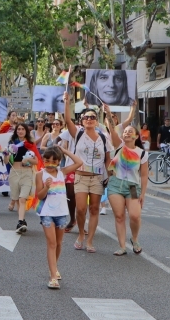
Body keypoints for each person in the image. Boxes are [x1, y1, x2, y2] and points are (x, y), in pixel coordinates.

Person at [63, 92, 111, 254]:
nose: (89, 119)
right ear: (82, 121)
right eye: (86, 118)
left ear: (96, 121)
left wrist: (108, 175)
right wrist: (67, 102)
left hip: (97, 178)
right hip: (81, 177)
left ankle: (90, 240)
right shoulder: (78, 134)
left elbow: (108, 158)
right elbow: (67, 120)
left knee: (94, 209)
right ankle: (81, 234)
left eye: (92, 117)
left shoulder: (104, 137)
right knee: (81, 209)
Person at [34, 146, 83, 289]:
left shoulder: (62, 172)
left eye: (54, 160)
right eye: (47, 160)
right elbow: (40, 196)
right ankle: (53, 277)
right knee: (52, 243)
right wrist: (46, 187)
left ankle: (53, 267)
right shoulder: (39, 175)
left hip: (61, 213)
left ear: (59, 161)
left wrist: (64, 151)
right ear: (43, 160)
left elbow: (79, 162)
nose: (50, 163)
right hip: (47, 213)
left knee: (59, 243)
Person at [103, 105, 148, 256]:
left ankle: (134, 239)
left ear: (136, 136)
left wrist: (143, 194)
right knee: (119, 216)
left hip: (133, 187)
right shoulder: (118, 145)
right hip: (115, 184)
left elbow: (143, 175)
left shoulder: (142, 153)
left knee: (135, 215)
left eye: (130, 132)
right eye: (125, 131)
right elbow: (111, 126)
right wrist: (108, 113)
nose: (127, 133)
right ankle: (122, 246)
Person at [6, 123, 39, 233]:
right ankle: (22, 220)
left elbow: (36, 161)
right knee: (17, 199)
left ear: (26, 131)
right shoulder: (11, 143)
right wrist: (6, 153)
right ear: (16, 131)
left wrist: (28, 160)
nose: (20, 131)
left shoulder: (30, 144)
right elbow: (6, 161)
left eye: (22, 129)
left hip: (27, 173)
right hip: (14, 172)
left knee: (22, 198)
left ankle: (20, 221)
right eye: (18, 129)